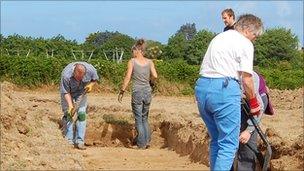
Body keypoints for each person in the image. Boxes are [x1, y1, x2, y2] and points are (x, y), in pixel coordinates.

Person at [195, 14, 264, 170]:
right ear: (247, 29)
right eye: (255, 36)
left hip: (202, 88)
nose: (254, 40)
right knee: (228, 144)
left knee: (216, 140)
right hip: (224, 90)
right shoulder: (245, 43)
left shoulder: (219, 37)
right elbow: (247, 79)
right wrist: (253, 103)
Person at [118, 39, 158, 149]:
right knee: (145, 117)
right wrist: (150, 82)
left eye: (133, 51)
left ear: (137, 50)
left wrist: (122, 91)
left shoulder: (132, 62)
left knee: (138, 119)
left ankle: (141, 144)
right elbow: (155, 75)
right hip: (147, 92)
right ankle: (147, 141)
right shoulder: (150, 62)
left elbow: (127, 77)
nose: (132, 53)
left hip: (137, 92)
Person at [235, 71, 271, 171]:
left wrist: (249, 130)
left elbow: (259, 108)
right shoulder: (218, 76)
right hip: (239, 100)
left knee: (246, 142)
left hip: (255, 101)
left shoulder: (247, 78)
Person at [60, 62, 99, 150]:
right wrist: (70, 106)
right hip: (68, 93)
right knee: (69, 114)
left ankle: (80, 141)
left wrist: (91, 85)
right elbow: (66, 92)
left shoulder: (91, 70)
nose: (79, 80)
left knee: (81, 114)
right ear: (74, 72)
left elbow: (95, 79)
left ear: (85, 73)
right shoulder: (66, 75)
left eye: (81, 78)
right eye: (77, 77)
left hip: (82, 92)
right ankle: (69, 140)